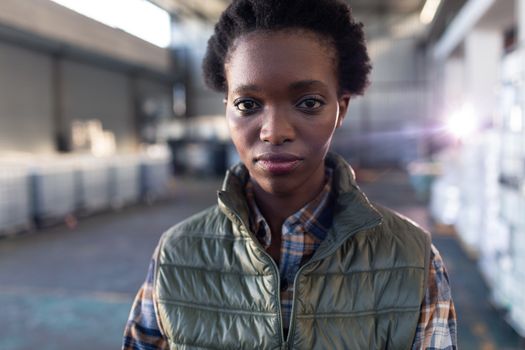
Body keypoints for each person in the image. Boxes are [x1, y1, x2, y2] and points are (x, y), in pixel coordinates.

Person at [122, 0, 457, 348]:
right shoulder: (177, 255)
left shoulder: (414, 261)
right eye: (247, 104)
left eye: (308, 102)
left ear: (340, 110)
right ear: (227, 111)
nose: (274, 131)